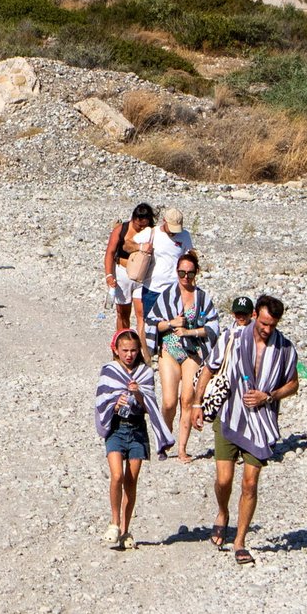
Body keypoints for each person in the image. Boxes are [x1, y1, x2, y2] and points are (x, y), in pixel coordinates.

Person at [203, 294, 300, 566]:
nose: (268, 329)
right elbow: (209, 368)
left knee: (250, 483)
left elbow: (293, 384)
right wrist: (197, 405)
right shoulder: (233, 338)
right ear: (256, 314)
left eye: (273, 325)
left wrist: (269, 396)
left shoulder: (285, 349)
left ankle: (240, 541)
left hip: (261, 422)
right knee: (224, 480)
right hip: (230, 416)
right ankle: (222, 513)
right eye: (265, 323)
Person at [95, 329, 172, 551]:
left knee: (131, 480)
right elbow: (102, 399)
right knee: (117, 475)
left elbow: (149, 405)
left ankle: (126, 529)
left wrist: (137, 394)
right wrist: (114, 405)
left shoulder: (145, 373)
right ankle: (114, 522)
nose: (129, 355)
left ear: (139, 351)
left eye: (133, 350)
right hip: (117, 429)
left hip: (137, 429)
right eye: (125, 350)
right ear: (116, 350)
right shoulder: (109, 371)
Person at [147, 250, 216, 463]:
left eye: (190, 273)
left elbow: (213, 327)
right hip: (169, 348)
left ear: (196, 273)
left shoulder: (203, 298)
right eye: (182, 273)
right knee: (169, 401)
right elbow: (152, 323)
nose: (186, 278)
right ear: (176, 272)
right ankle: (164, 441)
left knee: (187, 398)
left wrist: (191, 332)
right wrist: (171, 323)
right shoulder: (167, 295)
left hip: (192, 351)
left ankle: (183, 448)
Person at [103, 204, 157, 345]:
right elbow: (110, 253)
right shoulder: (121, 230)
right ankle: (122, 345)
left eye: (144, 226)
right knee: (122, 313)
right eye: (138, 225)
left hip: (143, 276)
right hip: (122, 273)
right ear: (133, 219)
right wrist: (109, 275)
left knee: (141, 314)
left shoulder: (152, 232)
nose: (141, 229)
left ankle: (142, 349)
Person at [143, 207, 194, 328]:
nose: (173, 233)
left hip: (175, 290)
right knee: (151, 326)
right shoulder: (152, 233)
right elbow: (130, 244)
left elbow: (189, 259)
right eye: (171, 229)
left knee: (173, 326)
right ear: (164, 221)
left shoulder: (185, 235)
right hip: (152, 289)